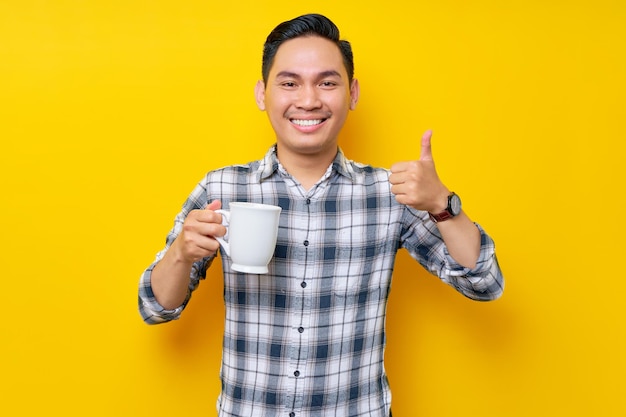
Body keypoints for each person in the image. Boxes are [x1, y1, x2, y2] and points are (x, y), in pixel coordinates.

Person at [138, 13, 504, 417]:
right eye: (289, 83)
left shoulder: (389, 193)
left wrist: (443, 204)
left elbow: (485, 283)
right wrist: (181, 254)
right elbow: (155, 307)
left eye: (327, 82)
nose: (308, 100)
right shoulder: (222, 189)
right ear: (262, 94)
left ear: (353, 93)